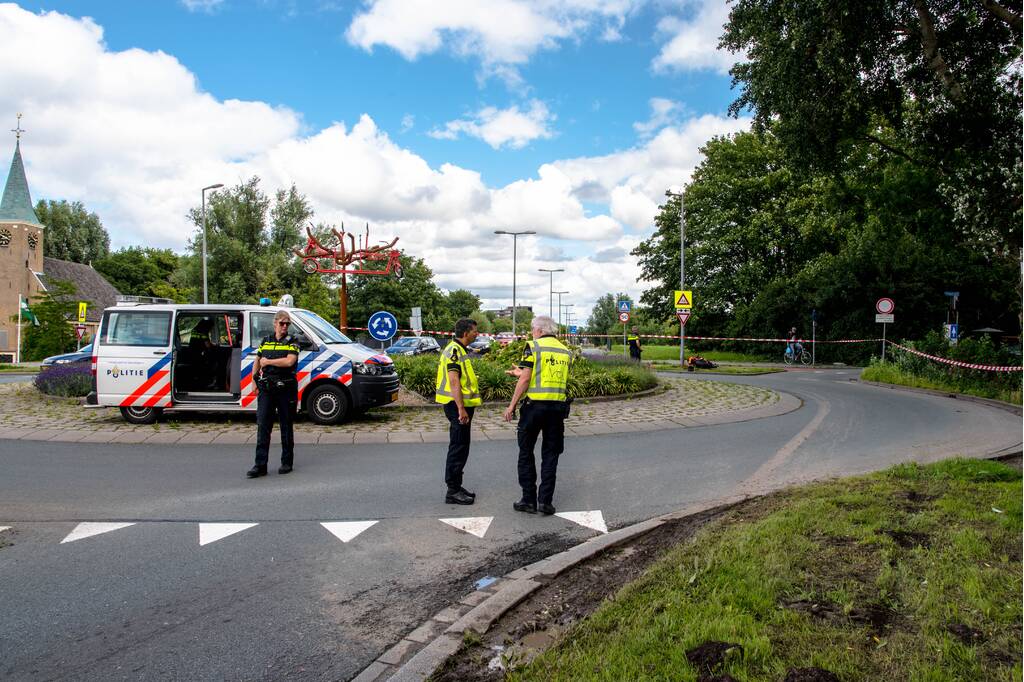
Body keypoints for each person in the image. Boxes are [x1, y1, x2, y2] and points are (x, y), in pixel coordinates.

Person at [503, 316, 572, 516]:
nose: (532, 332)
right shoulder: (565, 351)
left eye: (533, 329)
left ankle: (528, 500)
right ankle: (545, 502)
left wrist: (511, 405)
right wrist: (521, 373)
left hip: (534, 408)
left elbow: (526, 379)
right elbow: (546, 375)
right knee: (551, 454)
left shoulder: (533, 346)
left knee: (526, 451)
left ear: (540, 330)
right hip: (557, 409)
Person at [247, 310, 299, 478]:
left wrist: (268, 362)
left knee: (286, 425)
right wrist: (254, 379)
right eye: (282, 323)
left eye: (287, 324)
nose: (285, 327)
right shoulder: (266, 340)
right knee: (263, 425)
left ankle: (286, 462)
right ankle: (260, 465)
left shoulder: (293, 341)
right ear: (275, 323)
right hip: (267, 388)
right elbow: (257, 359)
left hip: (286, 387)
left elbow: (290, 361)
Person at [435, 318, 481, 505]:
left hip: (460, 406)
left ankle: (456, 486)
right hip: (456, 406)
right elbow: (454, 381)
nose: (477, 334)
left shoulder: (459, 349)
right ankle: (452, 490)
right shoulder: (454, 350)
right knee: (458, 447)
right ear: (465, 333)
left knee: (462, 446)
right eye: (474, 331)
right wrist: (461, 408)